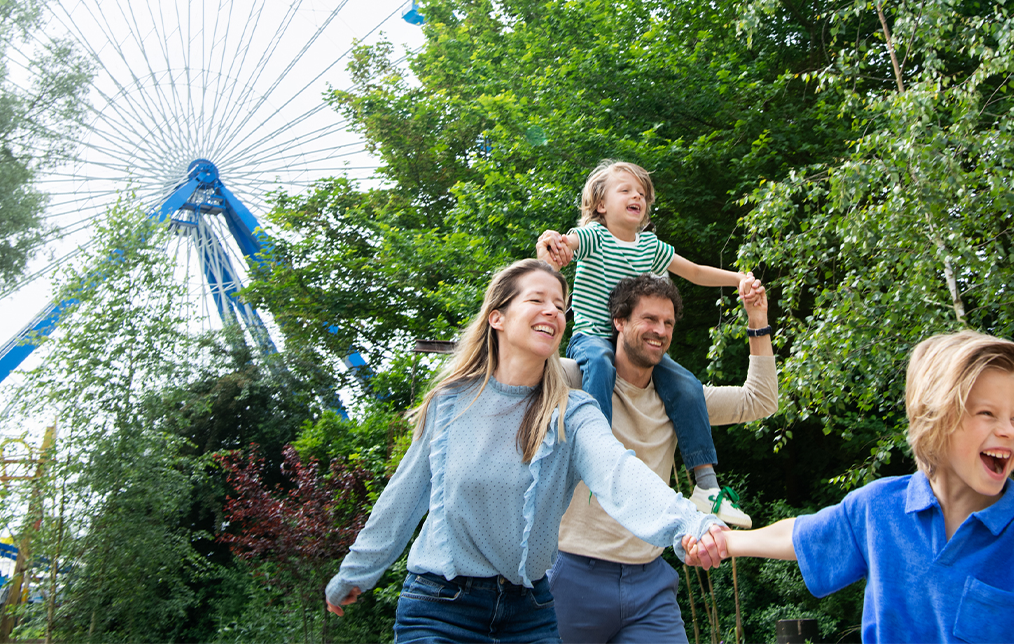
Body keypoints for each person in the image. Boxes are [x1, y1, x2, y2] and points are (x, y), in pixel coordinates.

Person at [325, 259, 733, 644]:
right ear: (496, 317)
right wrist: (356, 572)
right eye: (537, 300)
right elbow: (403, 496)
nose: (553, 311)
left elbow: (620, 474)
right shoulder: (450, 403)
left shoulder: (571, 413)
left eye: (560, 305)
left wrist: (689, 523)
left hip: (530, 611)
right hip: (439, 608)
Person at [721, 331, 1014, 644]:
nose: (1007, 430)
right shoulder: (880, 506)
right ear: (936, 419)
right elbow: (802, 534)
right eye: (987, 413)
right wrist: (727, 543)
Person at [549, 272, 778, 644]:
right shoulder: (573, 379)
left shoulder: (682, 401)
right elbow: (514, 366)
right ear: (619, 322)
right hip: (572, 574)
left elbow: (760, 401)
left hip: (649, 584)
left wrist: (757, 318)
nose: (660, 330)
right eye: (650, 319)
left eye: (668, 322)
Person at [537, 159, 749, 522]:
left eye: (642, 193)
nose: (637, 196)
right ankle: (597, 456)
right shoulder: (594, 236)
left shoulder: (650, 245)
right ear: (601, 205)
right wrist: (553, 245)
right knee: (601, 365)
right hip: (594, 336)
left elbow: (695, 273)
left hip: (634, 343)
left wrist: (739, 279)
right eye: (626, 190)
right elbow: (564, 245)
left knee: (687, 385)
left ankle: (706, 484)